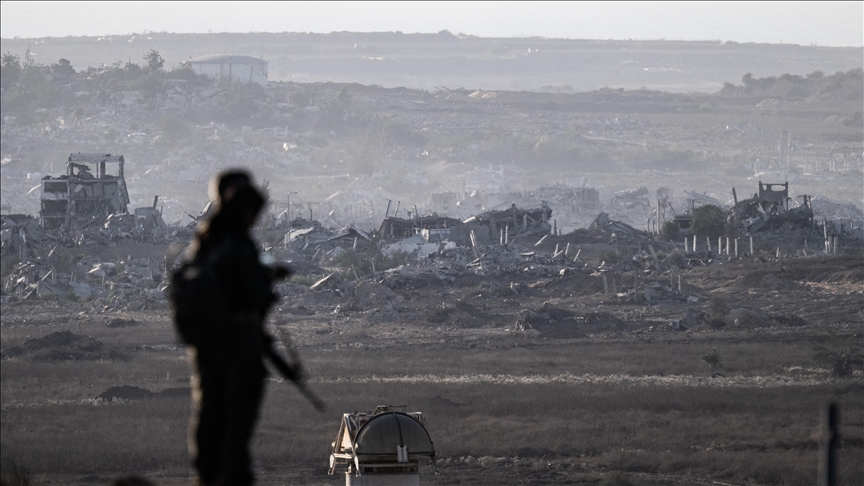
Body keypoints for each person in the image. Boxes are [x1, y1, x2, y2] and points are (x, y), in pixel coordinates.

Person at [182, 170, 292, 486]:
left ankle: (207, 474)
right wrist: (268, 279)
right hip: (237, 348)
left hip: (206, 348)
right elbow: (252, 294)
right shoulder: (238, 245)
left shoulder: (204, 241)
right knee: (235, 427)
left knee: (209, 416)